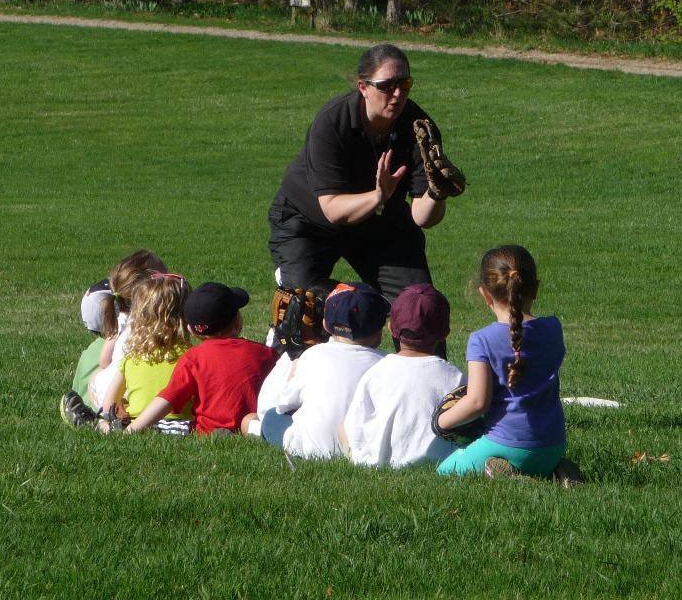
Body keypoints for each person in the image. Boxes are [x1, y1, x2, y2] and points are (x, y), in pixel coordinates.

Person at [268, 43, 465, 310]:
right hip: (309, 223)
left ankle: (421, 350)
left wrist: (436, 192)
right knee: (303, 311)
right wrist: (378, 195)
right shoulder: (332, 122)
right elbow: (332, 209)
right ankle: (296, 297)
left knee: (419, 307)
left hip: (379, 224)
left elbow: (421, 216)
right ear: (363, 88)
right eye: (386, 86)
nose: (397, 94)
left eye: (404, 84)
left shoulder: (419, 127)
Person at [435, 245, 570, 478]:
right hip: (554, 444)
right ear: (535, 288)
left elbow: (477, 402)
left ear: (485, 294)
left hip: (507, 445)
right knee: (542, 461)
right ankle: (558, 470)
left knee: (444, 471)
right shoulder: (553, 328)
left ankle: (510, 471)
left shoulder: (482, 340)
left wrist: (442, 421)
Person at [125, 282, 279, 435]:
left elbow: (168, 399)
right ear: (237, 320)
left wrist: (131, 429)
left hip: (207, 431)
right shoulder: (265, 354)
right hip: (252, 425)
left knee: (165, 426)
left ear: (192, 330)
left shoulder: (193, 358)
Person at [340, 283, 465, 468]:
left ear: (391, 328)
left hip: (377, 462)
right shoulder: (456, 377)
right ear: (445, 333)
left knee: (342, 428)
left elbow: (354, 428)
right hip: (440, 462)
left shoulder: (376, 372)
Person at [260, 282, 389, 459]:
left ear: (325, 325)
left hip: (307, 449)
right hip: (361, 449)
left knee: (271, 417)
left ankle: (253, 429)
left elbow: (285, 404)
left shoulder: (312, 355)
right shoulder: (386, 363)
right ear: (380, 330)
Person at [96, 273, 194, 434]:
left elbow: (107, 407)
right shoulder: (192, 356)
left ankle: (102, 427)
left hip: (136, 422)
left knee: (104, 421)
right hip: (179, 425)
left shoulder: (132, 357)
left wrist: (108, 420)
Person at [242, 279, 339, 437]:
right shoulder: (323, 358)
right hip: (295, 423)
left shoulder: (289, 356)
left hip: (274, 417)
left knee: (249, 420)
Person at [88, 249, 167, 408]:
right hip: (140, 391)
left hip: (110, 393)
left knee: (95, 377)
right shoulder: (160, 321)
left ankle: (102, 416)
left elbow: (104, 361)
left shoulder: (123, 318)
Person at [59, 279, 112, 426]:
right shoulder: (125, 346)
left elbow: (76, 391)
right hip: (112, 409)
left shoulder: (88, 353)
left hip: (85, 409)